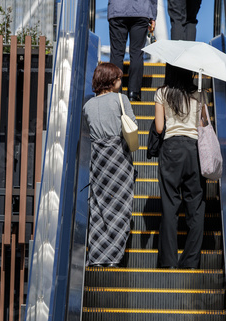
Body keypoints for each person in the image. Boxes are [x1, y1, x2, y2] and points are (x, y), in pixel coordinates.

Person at [83, 63, 137, 267]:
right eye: (118, 78)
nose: (120, 82)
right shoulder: (120, 99)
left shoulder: (87, 106)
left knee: (98, 206)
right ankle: (114, 255)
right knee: (121, 207)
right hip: (119, 160)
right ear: (111, 80)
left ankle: (96, 255)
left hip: (99, 161)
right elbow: (132, 125)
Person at [154, 64, 206, 269]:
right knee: (196, 207)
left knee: (169, 205)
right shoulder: (199, 94)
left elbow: (159, 127)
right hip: (194, 150)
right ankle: (191, 261)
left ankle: (168, 262)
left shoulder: (162, 92)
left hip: (171, 149)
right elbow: (202, 126)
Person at [108, 0, 157, 101]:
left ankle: (115, 91)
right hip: (141, 10)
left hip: (118, 10)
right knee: (137, 53)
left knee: (117, 53)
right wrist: (152, 15)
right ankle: (133, 93)